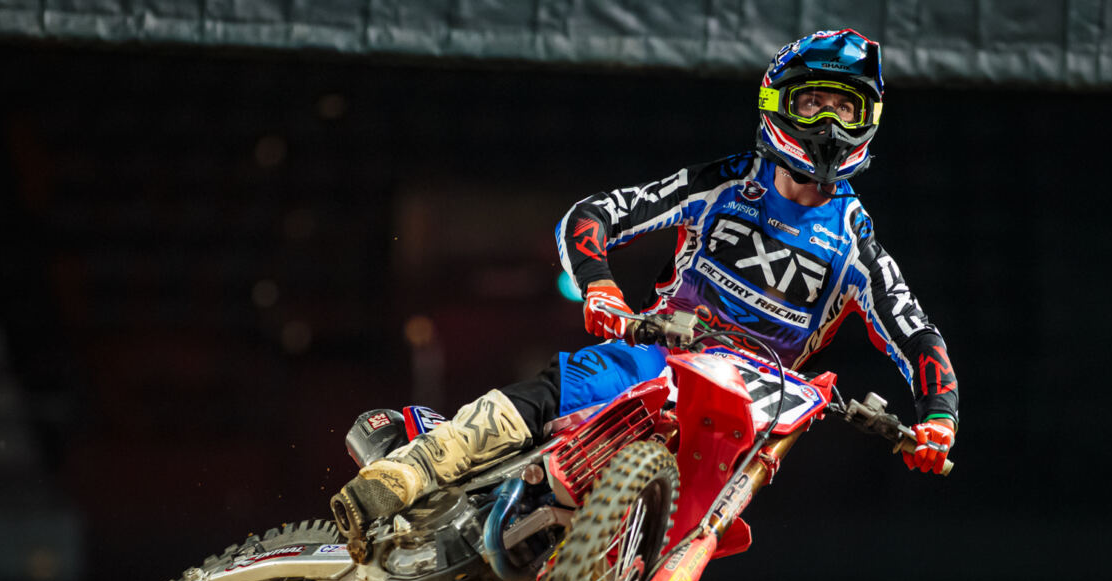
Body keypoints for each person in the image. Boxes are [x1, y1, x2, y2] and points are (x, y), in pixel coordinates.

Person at [332, 28, 958, 539]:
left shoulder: (855, 243)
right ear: (778, 104)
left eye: (845, 108)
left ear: (869, 121)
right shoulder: (723, 185)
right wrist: (600, 287)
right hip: (665, 352)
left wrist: (937, 420)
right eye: (813, 103)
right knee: (577, 383)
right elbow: (592, 215)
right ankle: (413, 469)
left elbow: (918, 335)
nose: (828, 124)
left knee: (718, 514)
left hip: (753, 403)